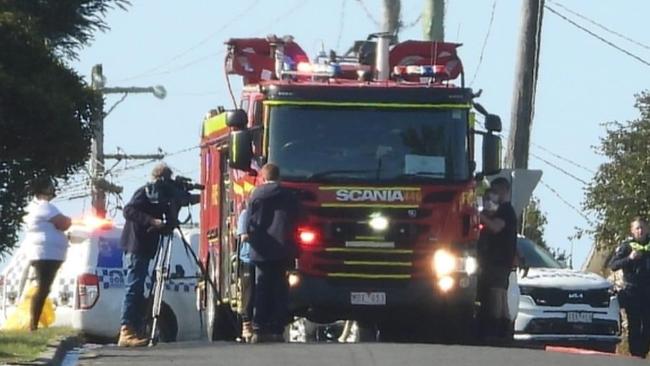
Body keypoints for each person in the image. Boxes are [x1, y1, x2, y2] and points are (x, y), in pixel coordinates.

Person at [117, 163, 172, 347]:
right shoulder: (145, 192)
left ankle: (136, 328)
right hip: (136, 246)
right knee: (133, 288)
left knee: (138, 289)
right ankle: (126, 330)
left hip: (145, 247)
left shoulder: (160, 197)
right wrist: (152, 221)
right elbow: (128, 210)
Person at [246, 163, 301, 343]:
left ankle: (259, 329)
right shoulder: (288, 195)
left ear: (263, 176)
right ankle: (277, 329)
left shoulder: (256, 194)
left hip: (261, 249)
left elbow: (249, 220)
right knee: (280, 289)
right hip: (282, 248)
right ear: (279, 177)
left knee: (261, 288)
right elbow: (298, 217)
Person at [22, 176, 71, 331]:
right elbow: (64, 223)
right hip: (47, 254)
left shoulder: (32, 207)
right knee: (43, 288)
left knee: (43, 288)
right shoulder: (45, 206)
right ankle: (33, 325)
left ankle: (34, 323)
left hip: (42, 253)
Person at [478, 177, 517, 340]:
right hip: (504, 259)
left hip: (499, 260)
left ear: (503, 190)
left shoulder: (505, 211)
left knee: (496, 294)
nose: (493, 195)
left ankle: (496, 329)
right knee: (501, 294)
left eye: (495, 191)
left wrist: (479, 215)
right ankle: (505, 330)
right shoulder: (508, 210)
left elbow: (496, 227)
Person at [609, 217, 650, 358]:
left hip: (648, 291)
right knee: (635, 324)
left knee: (647, 325)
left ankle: (642, 353)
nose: (640, 231)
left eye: (643, 227)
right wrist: (630, 258)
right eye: (637, 228)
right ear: (632, 231)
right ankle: (636, 355)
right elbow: (613, 265)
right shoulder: (627, 246)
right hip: (632, 291)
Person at [236, 200, 255, 342]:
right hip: (248, 259)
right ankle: (246, 324)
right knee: (248, 293)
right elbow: (244, 237)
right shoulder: (245, 214)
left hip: (262, 259)